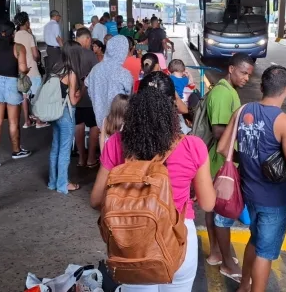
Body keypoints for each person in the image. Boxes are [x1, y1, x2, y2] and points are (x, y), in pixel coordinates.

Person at [90, 72, 216, 291]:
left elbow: (96, 200)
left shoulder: (117, 144)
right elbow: (208, 204)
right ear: (173, 106)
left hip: (130, 240)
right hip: (178, 238)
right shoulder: (193, 146)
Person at [216, 65, 286, 292]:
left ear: (261, 87)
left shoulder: (244, 110)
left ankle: (244, 286)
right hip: (274, 200)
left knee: (255, 241)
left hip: (247, 194)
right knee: (265, 253)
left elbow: (222, 148)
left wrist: (245, 157)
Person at [205, 53, 255, 282]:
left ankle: (216, 252)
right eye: (243, 72)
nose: (246, 78)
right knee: (222, 213)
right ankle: (225, 261)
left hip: (219, 163)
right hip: (220, 163)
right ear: (232, 68)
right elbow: (219, 132)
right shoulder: (224, 93)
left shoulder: (228, 91)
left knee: (215, 210)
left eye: (249, 74)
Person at [0, 20, 32, 166]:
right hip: (12, 83)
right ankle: (16, 150)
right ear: (12, 33)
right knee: (13, 121)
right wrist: (26, 71)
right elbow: (23, 69)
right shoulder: (19, 48)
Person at [48, 43, 82, 193]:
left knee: (55, 147)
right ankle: (63, 185)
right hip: (66, 113)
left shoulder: (56, 68)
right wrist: (84, 90)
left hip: (54, 111)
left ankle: (52, 181)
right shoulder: (71, 73)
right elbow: (73, 100)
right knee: (65, 150)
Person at [86, 35, 134, 132]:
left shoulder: (95, 69)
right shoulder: (124, 73)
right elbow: (129, 96)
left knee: (104, 144)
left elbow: (88, 85)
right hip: (118, 120)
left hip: (100, 119)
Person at [13, 12, 46, 129]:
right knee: (37, 97)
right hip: (32, 70)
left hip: (21, 71)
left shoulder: (15, 35)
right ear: (27, 22)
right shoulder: (29, 36)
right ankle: (38, 121)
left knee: (25, 97)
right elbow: (36, 55)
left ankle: (27, 121)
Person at [74, 28, 100, 168]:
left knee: (79, 125)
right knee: (94, 126)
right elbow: (96, 74)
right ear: (87, 39)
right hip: (89, 97)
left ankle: (81, 158)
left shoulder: (69, 52)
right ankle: (91, 158)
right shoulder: (90, 55)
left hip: (74, 96)